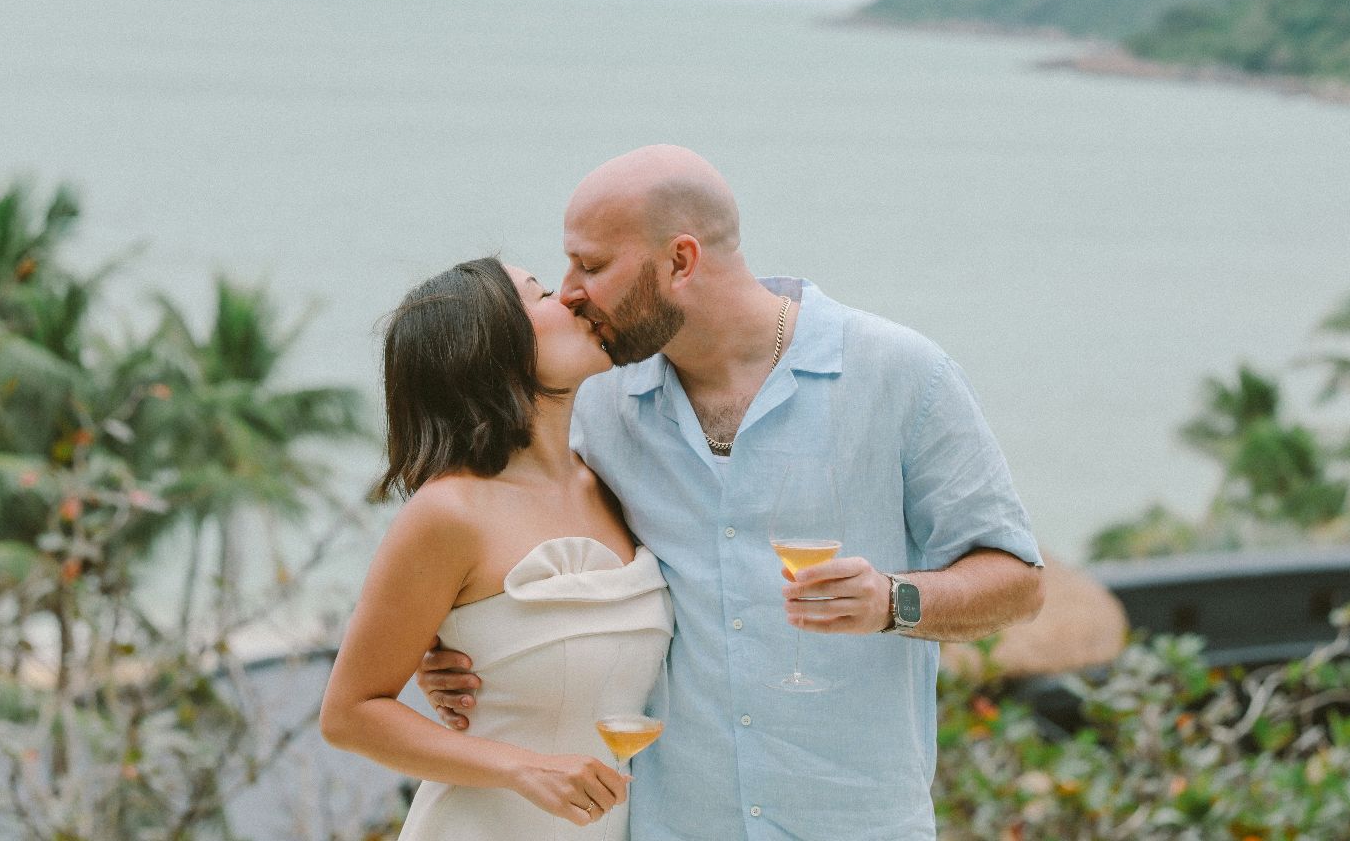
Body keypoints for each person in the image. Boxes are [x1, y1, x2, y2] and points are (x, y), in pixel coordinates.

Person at [418, 146, 1044, 840]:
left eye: (592, 266)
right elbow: (508, 532)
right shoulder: (598, 405)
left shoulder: (902, 374)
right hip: (673, 825)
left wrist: (893, 601)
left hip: (856, 822)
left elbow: (1018, 581)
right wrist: (459, 646)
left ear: (681, 262)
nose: (569, 291)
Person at [320, 257, 673, 839]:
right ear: (490, 347)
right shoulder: (449, 512)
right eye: (540, 296)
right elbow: (350, 714)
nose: (571, 299)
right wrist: (522, 767)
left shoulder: (613, 478)